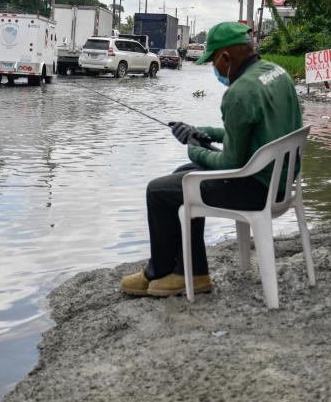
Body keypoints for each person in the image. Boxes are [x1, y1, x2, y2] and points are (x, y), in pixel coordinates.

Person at [120, 21, 303, 297]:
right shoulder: (277, 73)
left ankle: (160, 271)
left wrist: (194, 149)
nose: (214, 68)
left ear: (226, 57)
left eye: (213, 61)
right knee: (184, 173)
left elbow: (230, 164)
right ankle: (191, 271)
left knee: (158, 190)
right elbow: (251, 132)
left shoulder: (239, 93)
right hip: (280, 183)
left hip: (256, 190)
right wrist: (201, 132)